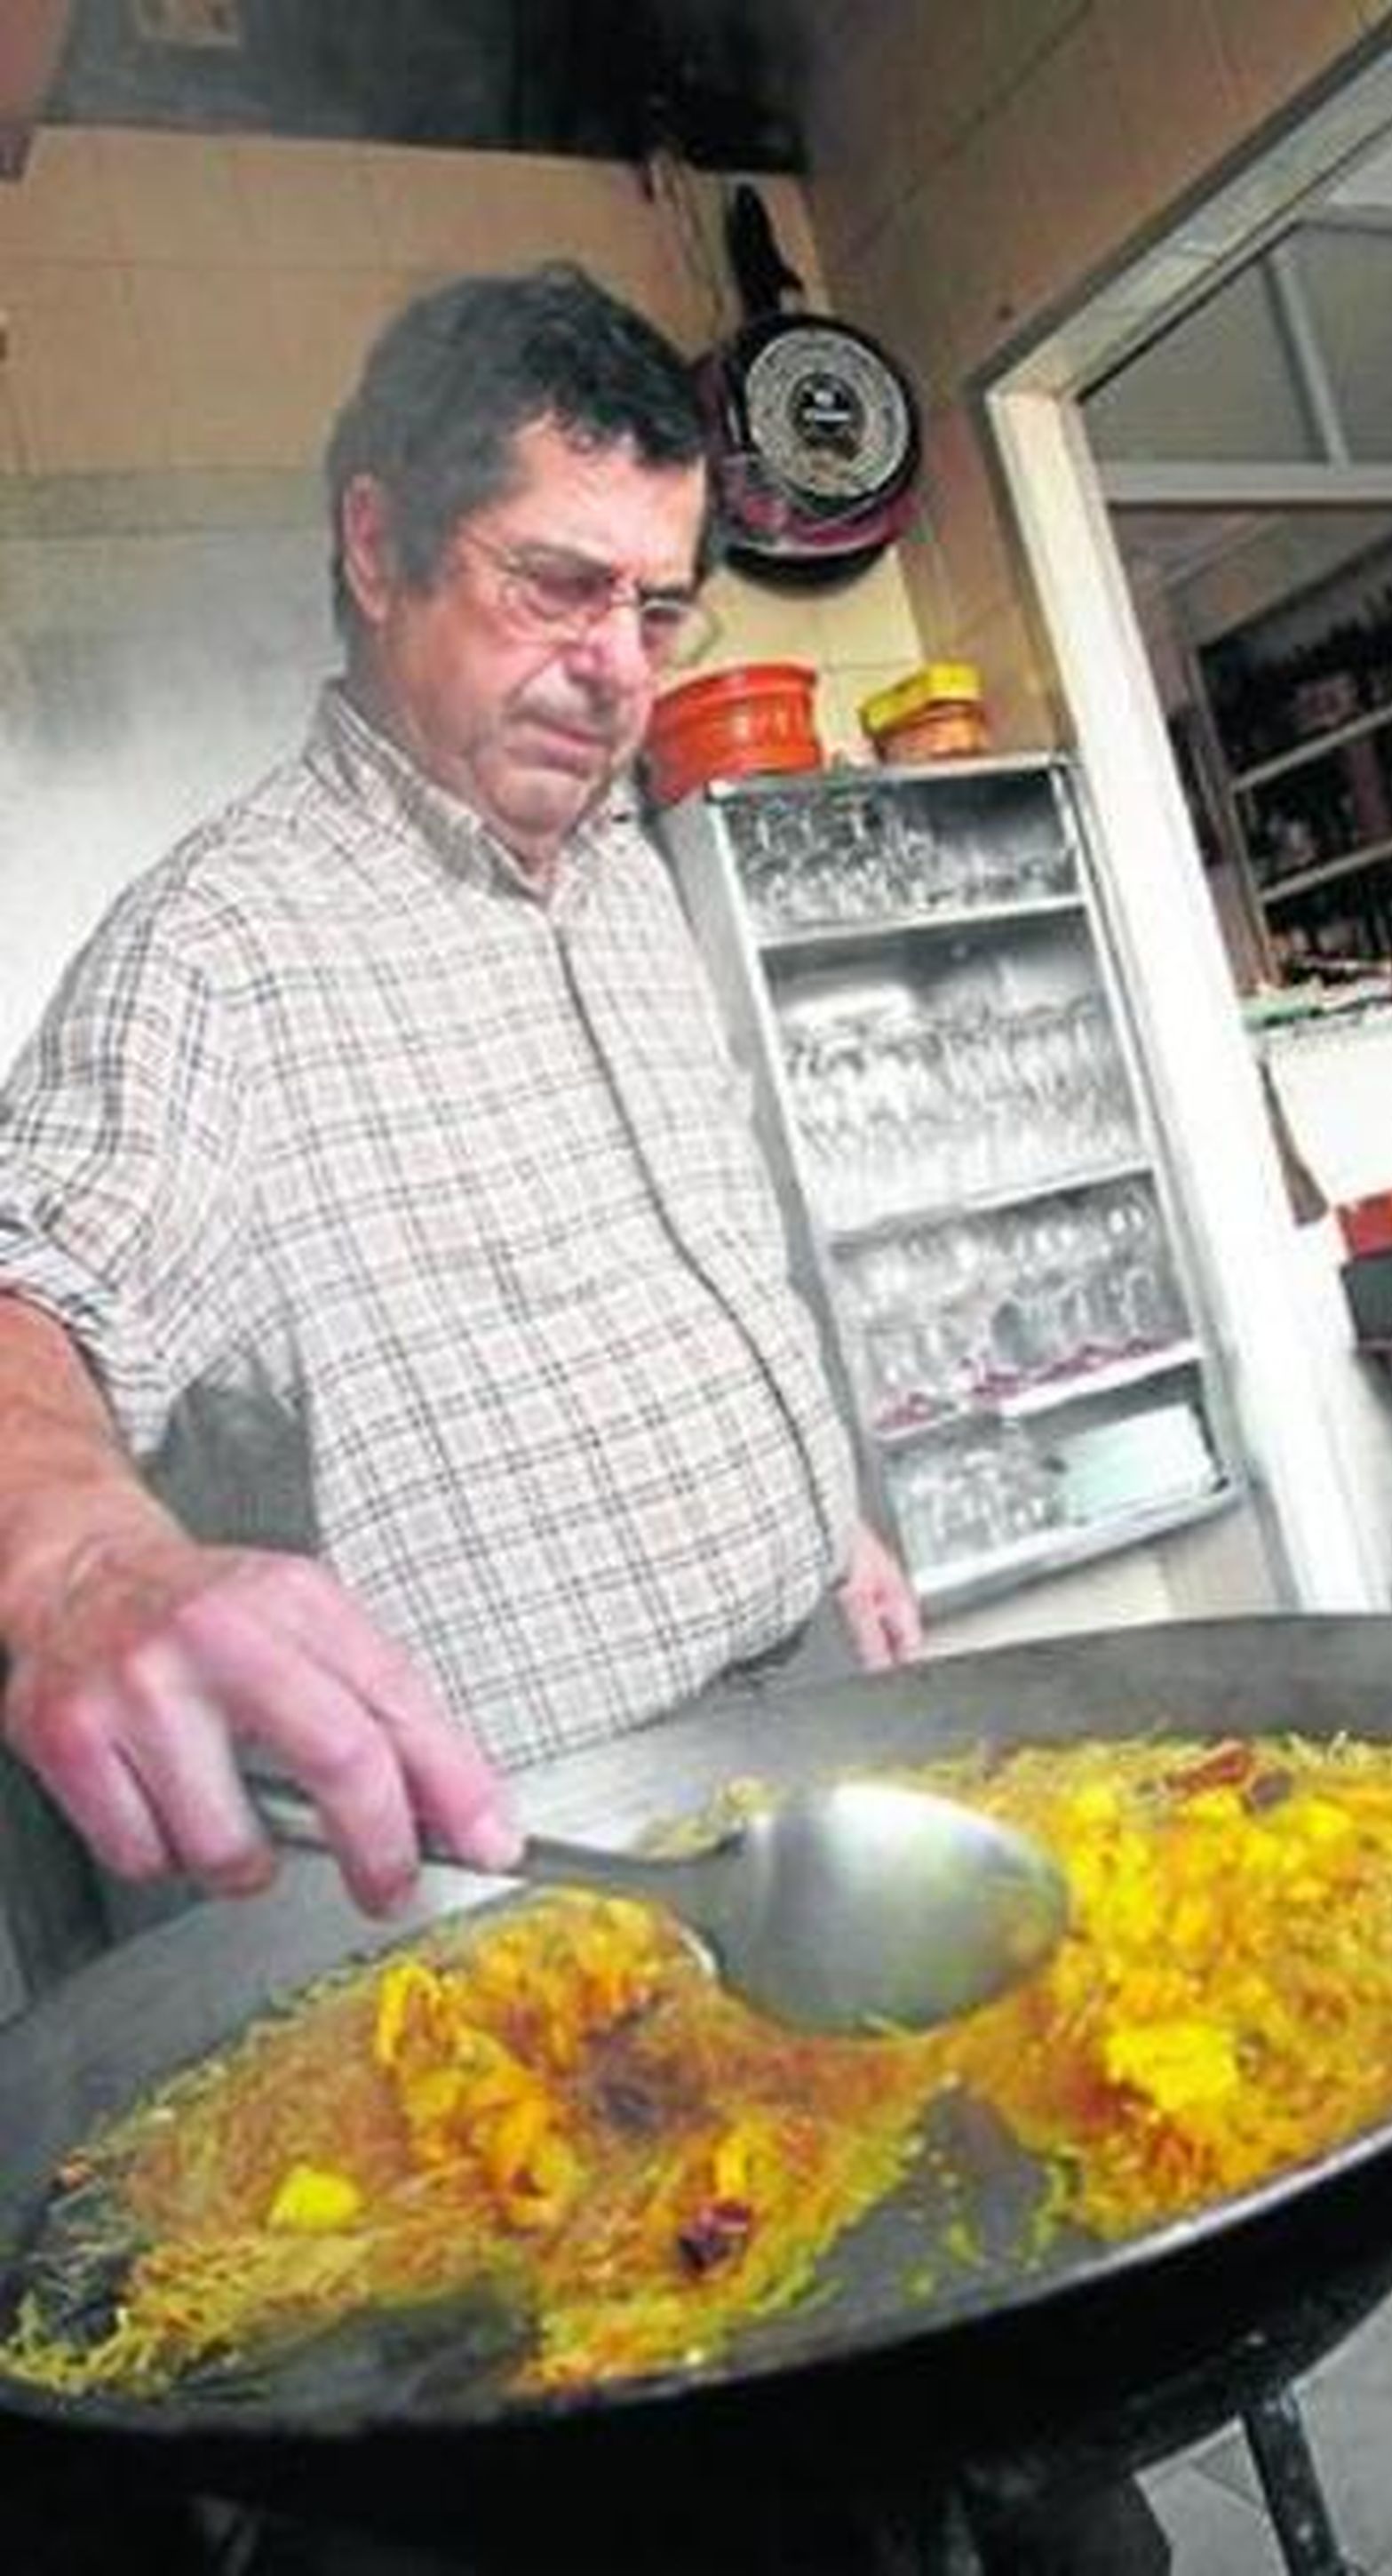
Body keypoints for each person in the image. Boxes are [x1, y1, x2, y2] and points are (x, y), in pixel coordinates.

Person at [0, 260, 920, 1922]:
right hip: (532, 1859)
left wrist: (826, 1521)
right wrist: (77, 1563)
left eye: (655, 608)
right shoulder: (218, 953)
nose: (618, 671)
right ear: (378, 550)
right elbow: (28, 1289)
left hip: (815, 1677)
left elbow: (703, 1247)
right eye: (558, 586)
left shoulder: (624, 865)